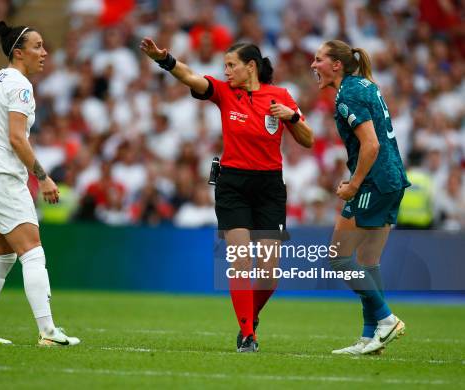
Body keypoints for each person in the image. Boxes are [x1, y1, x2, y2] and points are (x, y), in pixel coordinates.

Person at [141, 38, 314, 352]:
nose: (226, 71)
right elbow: (191, 76)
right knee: (239, 261)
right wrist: (164, 59)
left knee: (269, 274)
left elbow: (309, 139)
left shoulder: (280, 96)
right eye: (225, 66)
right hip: (233, 185)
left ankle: (250, 316)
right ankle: (248, 335)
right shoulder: (224, 92)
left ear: (251, 66)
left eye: (231, 65)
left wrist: (291, 116)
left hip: (270, 188)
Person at [0, 21, 80, 346]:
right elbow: (16, 137)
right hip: (2, 178)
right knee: (32, 253)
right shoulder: (21, 86)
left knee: (1, 257)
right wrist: (43, 177)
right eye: (38, 46)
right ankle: (49, 332)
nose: (44, 52)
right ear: (19, 52)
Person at [311, 40, 410, 355]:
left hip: (374, 183)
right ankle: (371, 339)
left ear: (336, 64)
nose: (314, 66)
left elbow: (371, 145)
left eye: (318, 60)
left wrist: (354, 184)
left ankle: (386, 319)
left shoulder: (348, 94)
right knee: (368, 261)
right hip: (392, 179)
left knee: (339, 258)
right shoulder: (363, 84)